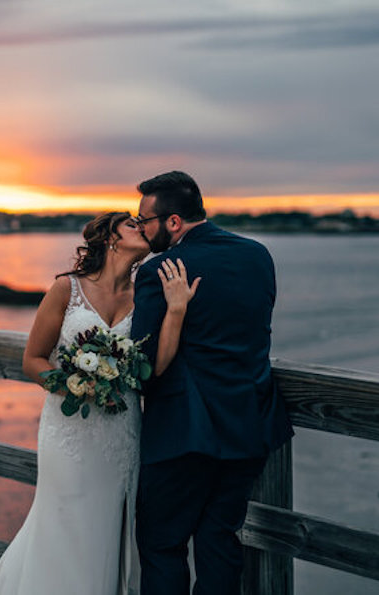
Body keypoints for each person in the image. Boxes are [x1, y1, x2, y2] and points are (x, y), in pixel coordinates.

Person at [0, 211, 198, 595]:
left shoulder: (144, 296)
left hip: (120, 430)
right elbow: (33, 359)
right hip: (69, 431)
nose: (143, 228)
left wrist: (176, 310)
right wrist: (72, 386)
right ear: (111, 237)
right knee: (63, 519)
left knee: (106, 524)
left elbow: (156, 366)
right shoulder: (67, 288)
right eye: (133, 224)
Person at [131, 171, 294, 595]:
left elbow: (144, 366)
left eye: (144, 220)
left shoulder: (160, 270)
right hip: (248, 423)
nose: (141, 229)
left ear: (172, 222)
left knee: (162, 544)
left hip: (183, 433)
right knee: (219, 540)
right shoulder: (257, 255)